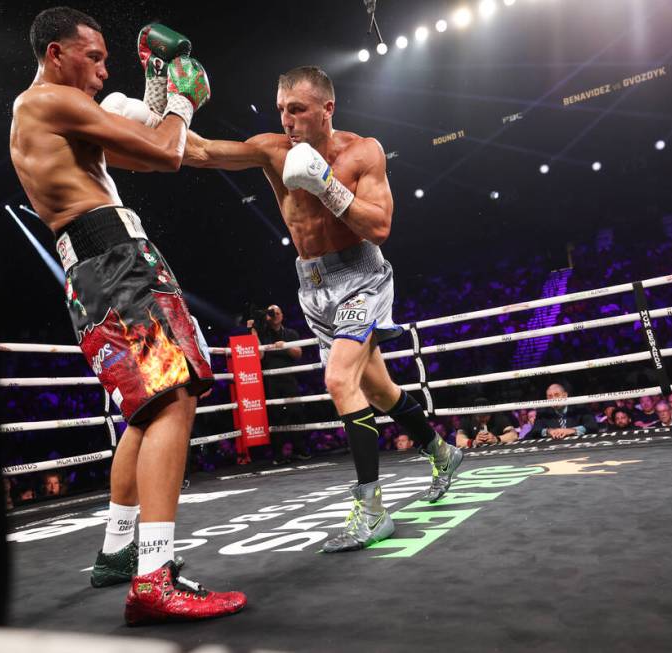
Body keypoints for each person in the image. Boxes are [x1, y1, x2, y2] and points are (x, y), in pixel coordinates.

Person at [9, 8, 244, 624]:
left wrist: (160, 88)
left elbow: (142, 154)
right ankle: (154, 577)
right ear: (57, 54)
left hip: (96, 268)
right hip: (116, 263)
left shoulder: (55, 116)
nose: (103, 70)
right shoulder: (45, 103)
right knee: (175, 397)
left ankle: (123, 553)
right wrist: (185, 100)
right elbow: (168, 152)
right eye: (94, 57)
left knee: (148, 406)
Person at [183, 65, 463, 552]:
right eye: (282, 111)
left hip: (362, 276)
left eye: (298, 110)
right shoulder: (273, 150)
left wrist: (325, 184)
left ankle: (372, 510)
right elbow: (201, 152)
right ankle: (441, 451)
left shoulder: (363, 152)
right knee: (376, 388)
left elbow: (379, 227)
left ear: (327, 109)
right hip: (311, 285)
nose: (287, 121)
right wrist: (162, 108)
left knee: (338, 380)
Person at [249, 304, 311, 464]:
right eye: (271, 313)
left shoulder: (290, 333)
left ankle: (300, 450)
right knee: (276, 417)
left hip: (289, 379)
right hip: (271, 381)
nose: (274, 315)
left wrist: (285, 346)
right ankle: (278, 455)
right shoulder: (263, 334)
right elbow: (259, 355)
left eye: (277, 312)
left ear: (282, 315)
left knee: (296, 413)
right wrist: (254, 331)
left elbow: (298, 353)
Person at [530, 382, 598, 440]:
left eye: (556, 395)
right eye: (550, 396)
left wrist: (572, 430)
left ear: (565, 395)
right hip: (555, 449)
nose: (553, 399)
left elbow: (592, 426)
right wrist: (549, 431)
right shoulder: (543, 411)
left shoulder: (580, 407)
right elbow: (535, 430)